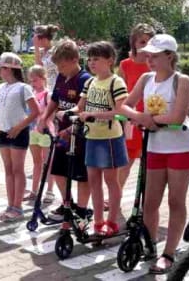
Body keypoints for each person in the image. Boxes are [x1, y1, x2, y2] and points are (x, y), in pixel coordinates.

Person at [120, 34, 189, 274]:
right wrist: (141, 118)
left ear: (170, 56)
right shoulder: (145, 78)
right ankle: (150, 246)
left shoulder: (181, 80)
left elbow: (177, 116)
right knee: (150, 202)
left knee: (176, 201)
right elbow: (123, 106)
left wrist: (147, 119)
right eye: (147, 55)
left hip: (181, 147)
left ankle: (169, 253)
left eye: (155, 56)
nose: (149, 60)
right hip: (154, 147)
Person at [76, 41, 129, 236]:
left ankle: (112, 221)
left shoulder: (116, 82)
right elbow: (80, 107)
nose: (91, 63)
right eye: (89, 59)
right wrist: (66, 112)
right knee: (93, 180)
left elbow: (120, 111)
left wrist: (93, 115)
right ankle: (98, 221)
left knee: (111, 181)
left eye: (96, 59)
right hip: (92, 137)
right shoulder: (90, 82)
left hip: (110, 139)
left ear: (110, 60)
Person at [37, 38, 92, 222]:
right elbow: (55, 99)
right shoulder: (61, 77)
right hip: (61, 133)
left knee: (81, 174)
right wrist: (44, 118)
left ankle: (83, 210)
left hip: (80, 135)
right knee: (57, 170)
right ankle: (68, 203)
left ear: (74, 60)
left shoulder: (85, 80)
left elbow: (84, 108)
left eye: (61, 65)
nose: (58, 69)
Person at [0, 53, 40, 222]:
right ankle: (10, 205)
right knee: (8, 169)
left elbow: (35, 112)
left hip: (18, 133)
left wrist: (18, 127)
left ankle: (18, 207)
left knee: (17, 170)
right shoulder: (1, 87)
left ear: (10, 69)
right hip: (4, 132)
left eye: (1, 69)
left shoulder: (23, 87)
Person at [118, 23, 155, 196]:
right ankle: (115, 196)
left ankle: (146, 199)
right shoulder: (125, 64)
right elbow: (120, 92)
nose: (145, 46)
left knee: (150, 162)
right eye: (141, 42)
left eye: (148, 42)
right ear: (133, 43)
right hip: (131, 118)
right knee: (127, 160)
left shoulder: (154, 66)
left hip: (151, 118)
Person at [23, 65, 55, 203]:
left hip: (45, 132)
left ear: (43, 79)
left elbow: (52, 113)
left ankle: (49, 191)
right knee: (37, 162)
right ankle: (34, 191)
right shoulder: (31, 94)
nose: (32, 83)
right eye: (30, 81)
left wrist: (44, 124)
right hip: (32, 131)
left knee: (48, 162)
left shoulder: (49, 94)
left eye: (35, 80)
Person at [33, 24, 59, 92]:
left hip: (53, 89)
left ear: (44, 39)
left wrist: (36, 46)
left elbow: (39, 67)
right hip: (43, 89)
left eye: (36, 38)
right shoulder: (41, 52)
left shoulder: (55, 52)